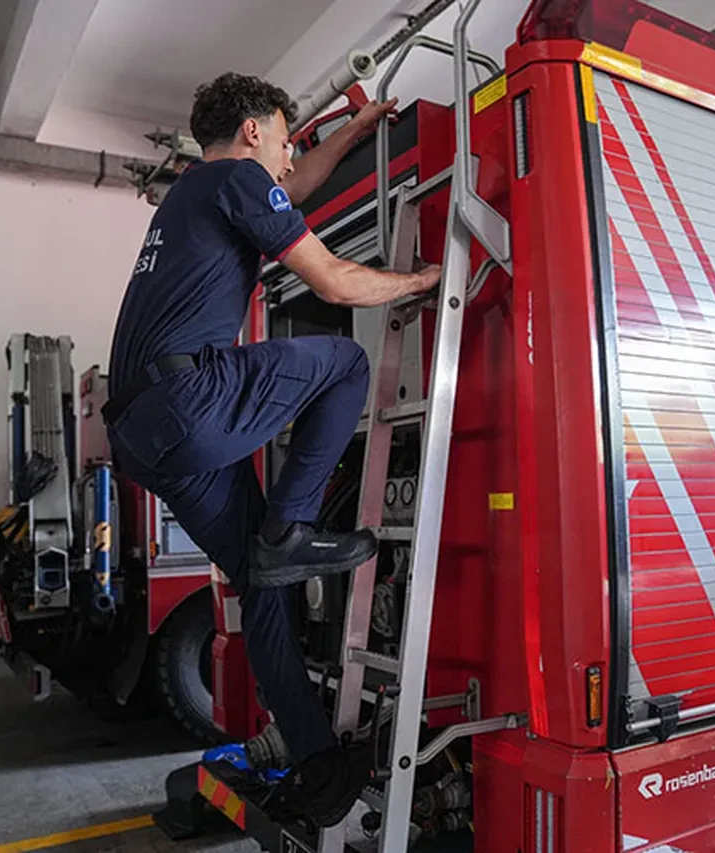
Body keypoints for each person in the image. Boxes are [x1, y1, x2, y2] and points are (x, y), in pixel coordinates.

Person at [102, 73, 441, 826]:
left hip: (146, 430)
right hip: (187, 404)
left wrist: (349, 134)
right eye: (286, 139)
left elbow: (297, 184)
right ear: (254, 132)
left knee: (262, 575)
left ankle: (318, 759)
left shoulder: (201, 190)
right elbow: (333, 281)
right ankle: (293, 526)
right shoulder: (231, 179)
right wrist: (418, 280)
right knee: (346, 364)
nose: (291, 158)